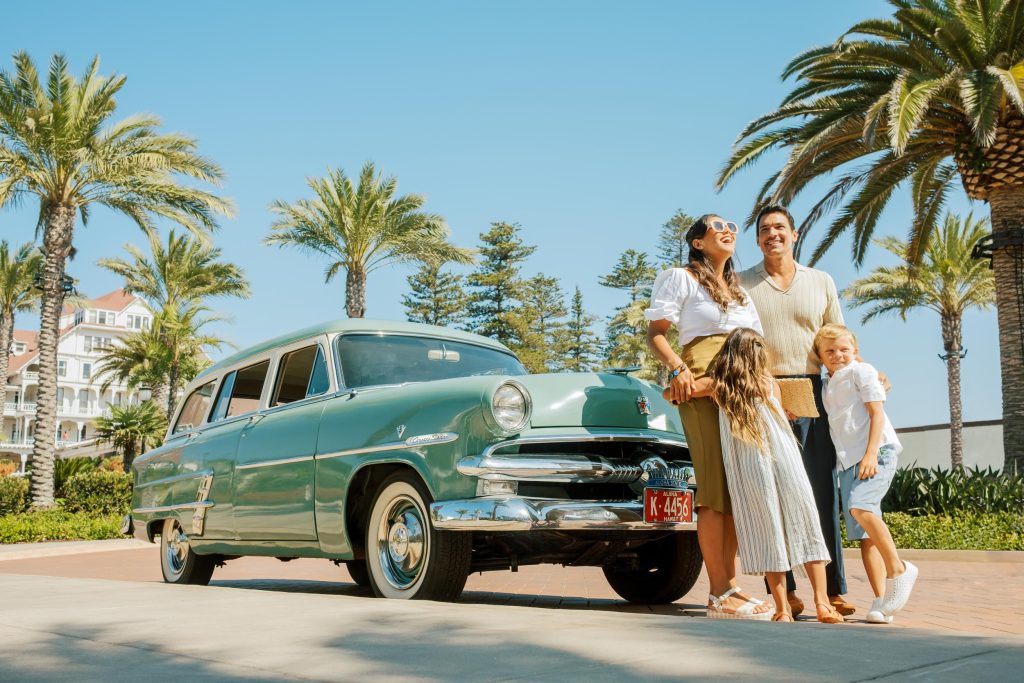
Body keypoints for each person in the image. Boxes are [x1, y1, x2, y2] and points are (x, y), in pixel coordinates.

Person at [645, 213, 772, 620]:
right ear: (698, 242)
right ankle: (719, 591)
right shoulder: (679, 277)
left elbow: (757, 341)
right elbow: (656, 333)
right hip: (701, 372)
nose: (728, 230)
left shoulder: (740, 290)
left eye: (732, 226)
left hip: (742, 381)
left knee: (736, 484)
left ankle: (731, 588)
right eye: (717, 226)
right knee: (714, 486)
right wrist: (679, 370)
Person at [737, 204, 854, 617]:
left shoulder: (821, 281)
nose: (773, 234)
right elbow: (739, 342)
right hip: (763, 392)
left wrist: (861, 374)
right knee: (773, 495)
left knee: (822, 492)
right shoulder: (741, 282)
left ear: (794, 233)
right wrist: (763, 389)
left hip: (811, 388)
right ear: (757, 239)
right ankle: (784, 594)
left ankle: (834, 590)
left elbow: (836, 338)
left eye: (780, 228)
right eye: (765, 229)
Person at [705, 327, 843, 623]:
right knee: (805, 522)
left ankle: (782, 609)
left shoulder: (721, 386)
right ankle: (822, 604)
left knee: (767, 529)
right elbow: (782, 414)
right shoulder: (768, 383)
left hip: (750, 463)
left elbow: (679, 390)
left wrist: (679, 379)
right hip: (785, 458)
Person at [815, 324, 918, 623]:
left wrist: (871, 454)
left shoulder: (862, 371)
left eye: (844, 349)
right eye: (830, 351)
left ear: (855, 351)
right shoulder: (825, 384)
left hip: (876, 453)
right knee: (864, 534)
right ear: (820, 356)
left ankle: (899, 569)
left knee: (861, 507)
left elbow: (877, 413)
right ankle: (881, 601)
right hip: (848, 462)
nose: (838, 355)